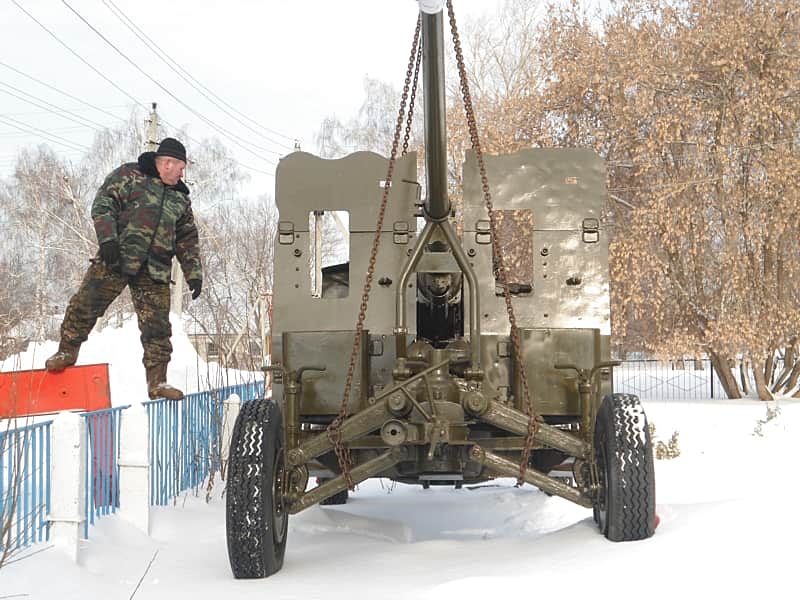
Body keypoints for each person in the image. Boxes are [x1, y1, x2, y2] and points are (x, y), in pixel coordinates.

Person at [45, 138, 202, 400]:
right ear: (167, 163)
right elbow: (103, 204)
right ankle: (66, 351)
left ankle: (158, 382)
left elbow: (187, 239)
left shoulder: (180, 198)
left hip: (154, 269)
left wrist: (194, 273)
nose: (182, 174)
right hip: (117, 257)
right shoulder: (130, 175)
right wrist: (107, 239)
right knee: (86, 304)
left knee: (157, 327)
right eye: (180, 168)